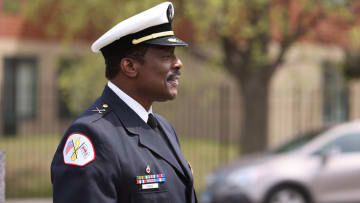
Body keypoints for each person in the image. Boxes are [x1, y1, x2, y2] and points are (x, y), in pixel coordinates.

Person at [51, 2, 197, 203]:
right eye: (166, 55)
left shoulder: (164, 128)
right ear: (129, 66)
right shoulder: (92, 136)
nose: (178, 63)